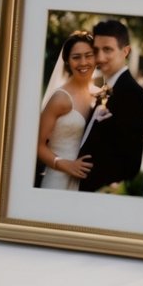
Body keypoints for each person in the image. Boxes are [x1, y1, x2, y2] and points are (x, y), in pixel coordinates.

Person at [78, 19, 143, 192]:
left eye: (107, 49)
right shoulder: (105, 89)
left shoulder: (133, 94)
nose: (100, 57)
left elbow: (130, 159)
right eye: (96, 50)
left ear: (125, 51)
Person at [37, 31, 97, 190]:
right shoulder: (60, 98)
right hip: (57, 180)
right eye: (76, 57)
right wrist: (64, 164)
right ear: (68, 62)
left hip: (85, 184)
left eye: (88, 55)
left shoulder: (100, 95)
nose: (83, 62)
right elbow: (38, 145)